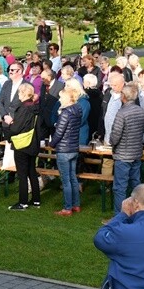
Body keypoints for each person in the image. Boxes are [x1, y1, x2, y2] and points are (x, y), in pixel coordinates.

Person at [110, 84, 144, 216]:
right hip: (136, 152)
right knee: (135, 184)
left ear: (124, 96)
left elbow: (115, 135)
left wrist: (112, 144)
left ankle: (120, 216)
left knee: (120, 187)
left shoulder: (122, 113)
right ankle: (137, 212)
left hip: (123, 154)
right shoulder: (141, 111)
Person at [5, 83, 40, 210]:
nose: (18, 95)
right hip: (34, 142)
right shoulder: (35, 107)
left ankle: (23, 202)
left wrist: (9, 125)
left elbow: (16, 128)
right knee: (32, 171)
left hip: (22, 144)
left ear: (24, 93)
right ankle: (36, 200)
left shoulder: (24, 108)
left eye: (19, 92)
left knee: (22, 174)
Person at [51, 86, 82, 216]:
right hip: (73, 147)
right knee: (73, 177)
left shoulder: (65, 113)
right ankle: (76, 204)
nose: (59, 99)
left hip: (64, 149)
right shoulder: (77, 110)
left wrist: (52, 144)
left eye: (61, 97)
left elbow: (59, 132)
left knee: (66, 180)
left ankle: (67, 207)